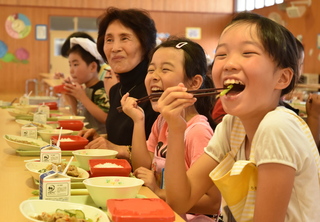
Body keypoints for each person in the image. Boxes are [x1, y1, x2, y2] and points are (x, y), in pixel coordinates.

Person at [162, 12, 320, 222]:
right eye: (221, 55)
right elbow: (180, 201)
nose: (229, 64)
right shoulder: (231, 125)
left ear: (282, 78)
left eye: (247, 53)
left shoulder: (278, 126)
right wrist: (175, 128)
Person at [120, 37, 221, 221]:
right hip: (165, 212)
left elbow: (213, 203)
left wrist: (160, 192)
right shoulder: (162, 121)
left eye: (165, 69)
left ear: (195, 83)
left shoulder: (198, 131)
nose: (154, 76)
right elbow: (143, 168)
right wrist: (138, 121)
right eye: (151, 69)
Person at [79, 7, 159, 160]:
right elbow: (123, 137)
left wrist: (117, 149)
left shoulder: (155, 90)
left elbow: (163, 152)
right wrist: (102, 139)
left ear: (145, 44)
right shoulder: (117, 90)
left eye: (125, 38)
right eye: (109, 40)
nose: (115, 48)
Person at [62, 37, 109, 134]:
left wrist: (82, 97)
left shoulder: (101, 89)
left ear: (92, 67)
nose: (71, 71)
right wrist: (70, 95)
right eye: (70, 65)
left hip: (100, 141)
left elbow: (106, 118)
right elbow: (75, 116)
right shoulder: (84, 89)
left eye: (75, 65)